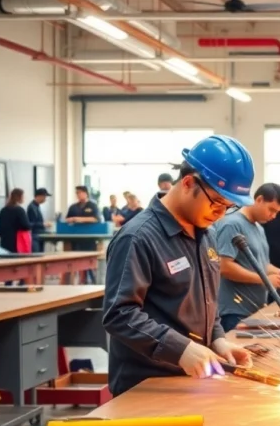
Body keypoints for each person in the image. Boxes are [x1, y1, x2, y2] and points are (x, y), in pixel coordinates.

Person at [102, 135, 255, 397]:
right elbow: (119, 314)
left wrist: (218, 339)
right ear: (187, 183)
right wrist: (180, 348)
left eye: (228, 207)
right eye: (217, 202)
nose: (219, 213)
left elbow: (205, 301)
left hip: (195, 382)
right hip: (147, 388)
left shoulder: (205, 232)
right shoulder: (137, 237)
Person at [216, 183, 280, 332]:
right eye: (272, 210)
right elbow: (224, 267)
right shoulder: (232, 224)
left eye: (277, 213)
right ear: (259, 199)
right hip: (234, 312)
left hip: (254, 310)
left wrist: (277, 272)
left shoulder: (259, 228)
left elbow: (262, 263)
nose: (273, 216)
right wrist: (265, 280)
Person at [66, 185, 100, 283]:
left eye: (80, 192)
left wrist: (79, 219)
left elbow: (95, 219)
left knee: (89, 261)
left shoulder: (92, 205)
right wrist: (72, 219)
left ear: (86, 193)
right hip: (75, 238)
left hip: (89, 238)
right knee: (76, 260)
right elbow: (67, 219)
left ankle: (92, 281)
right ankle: (78, 280)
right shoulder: (73, 207)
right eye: (77, 193)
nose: (78, 195)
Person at [0, 188, 32, 254]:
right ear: (20, 197)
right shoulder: (19, 210)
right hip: (17, 241)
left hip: (4, 241)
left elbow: (0, 227)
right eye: (23, 196)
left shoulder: (3, 210)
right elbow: (26, 225)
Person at [27, 188, 51, 253]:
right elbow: (31, 223)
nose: (45, 199)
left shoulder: (36, 206)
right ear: (39, 196)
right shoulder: (32, 207)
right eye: (44, 197)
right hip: (35, 235)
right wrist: (43, 224)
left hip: (40, 234)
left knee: (41, 254)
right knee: (37, 255)